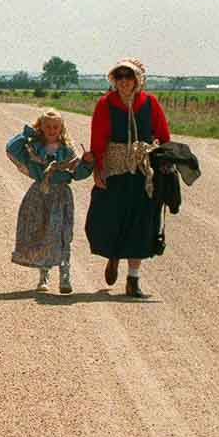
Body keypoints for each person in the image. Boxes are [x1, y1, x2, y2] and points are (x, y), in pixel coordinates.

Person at [84, 58, 171, 298]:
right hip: (115, 168)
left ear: (138, 79)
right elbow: (98, 138)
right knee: (110, 217)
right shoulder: (105, 104)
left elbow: (163, 135)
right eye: (119, 76)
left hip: (143, 170)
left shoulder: (150, 103)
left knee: (142, 223)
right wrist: (98, 169)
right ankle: (113, 255)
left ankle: (133, 280)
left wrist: (165, 163)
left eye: (128, 76)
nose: (124, 81)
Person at [8, 110, 93, 293]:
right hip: (39, 194)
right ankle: (43, 276)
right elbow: (11, 149)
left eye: (55, 127)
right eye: (47, 126)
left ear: (61, 128)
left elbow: (78, 174)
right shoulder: (34, 148)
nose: (52, 130)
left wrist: (86, 163)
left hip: (61, 196)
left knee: (62, 235)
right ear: (41, 127)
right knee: (42, 232)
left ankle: (65, 276)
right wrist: (27, 134)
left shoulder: (67, 151)